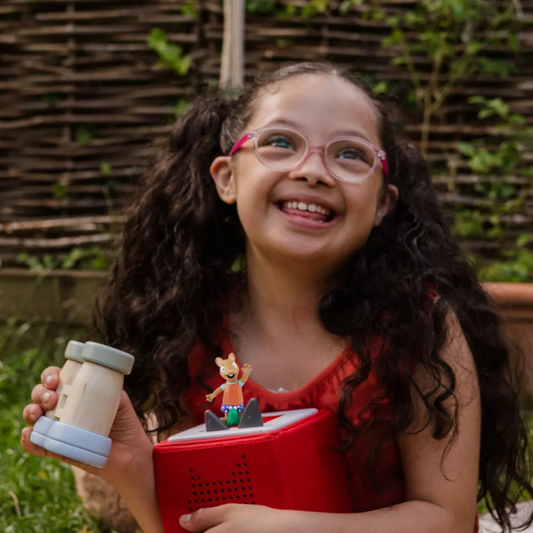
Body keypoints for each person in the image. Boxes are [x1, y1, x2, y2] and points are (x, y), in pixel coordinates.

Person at [21, 61, 533, 533]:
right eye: (281, 142)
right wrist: (131, 466)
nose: (313, 171)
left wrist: (293, 528)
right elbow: (191, 522)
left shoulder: (419, 327)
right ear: (227, 179)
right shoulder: (189, 328)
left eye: (350, 154)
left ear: (383, 203)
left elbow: (446, 520)